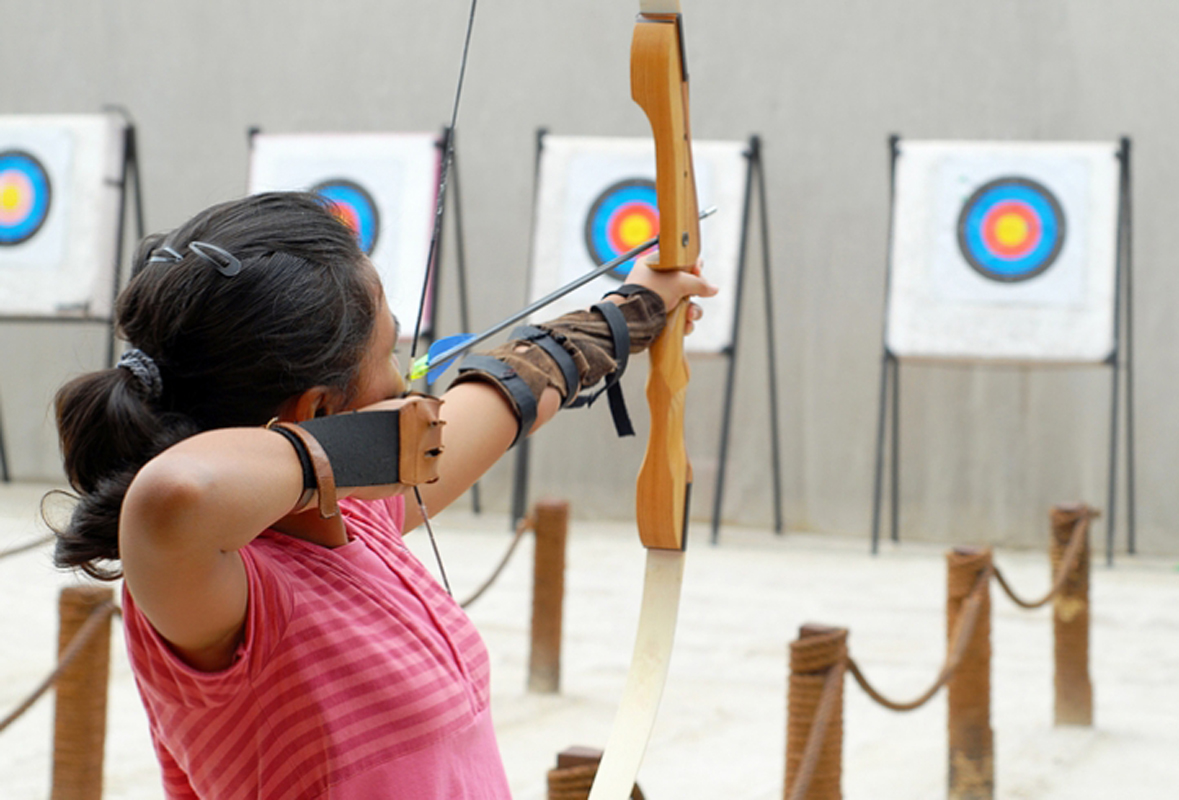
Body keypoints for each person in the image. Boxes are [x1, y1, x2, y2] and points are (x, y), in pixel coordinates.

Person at [50, 191, 716, 799]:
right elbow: (179, 491)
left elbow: (501, 400)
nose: (408, 379)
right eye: (391, 352)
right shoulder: (215, 589)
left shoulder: (355, 516)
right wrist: (359, 450)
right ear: (319, 412)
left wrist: (625, 315)